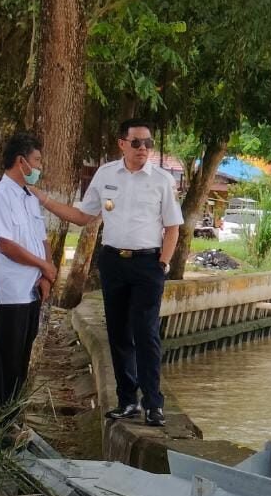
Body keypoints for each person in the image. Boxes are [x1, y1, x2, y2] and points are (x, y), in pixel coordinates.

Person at [35, 118, 182, 427]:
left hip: (148, 264)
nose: (143, 149)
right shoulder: (105, 174)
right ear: (122, 144)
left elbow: (172, 227)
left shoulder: (161, 180)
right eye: (137, 143)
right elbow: (82, 215)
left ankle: (154, 404)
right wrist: (44, 199)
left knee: (146, 333)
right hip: (114, 261)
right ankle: (128, 401)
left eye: (148, 143)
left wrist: (163, 264)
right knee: (117, 333)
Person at [0, 133, 53, 414]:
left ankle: (11, 421)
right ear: (21, 161)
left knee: (20, 362)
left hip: (31, 291)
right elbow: (5, 244)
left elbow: (42, 239)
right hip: (8, 293)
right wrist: (44, 266)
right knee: (5, 363)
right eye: (36, 160)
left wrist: (46, 274)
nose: (39, 166)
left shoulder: (28, 197)